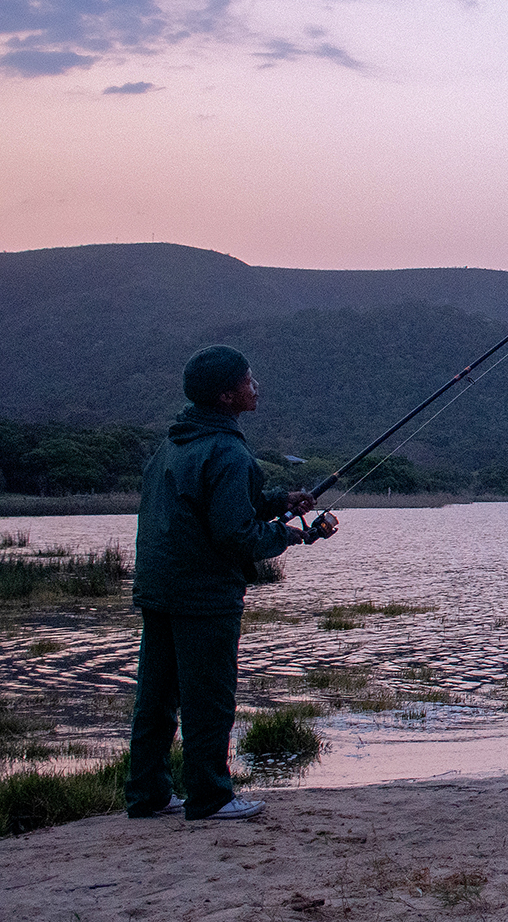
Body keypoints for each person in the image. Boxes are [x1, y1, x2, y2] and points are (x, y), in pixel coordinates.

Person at [125, 345, 333, 821]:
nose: (255, 385)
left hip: (159, 588)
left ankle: (147, 795)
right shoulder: (227, 451)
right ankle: (211, 797)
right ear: (225, 396)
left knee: (155, 697)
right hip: (204, 594)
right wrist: (293, 534)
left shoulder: (176, 443)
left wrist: (283, 500)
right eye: (247, 379)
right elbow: (234, 533)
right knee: (209, 697)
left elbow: (222, 505)